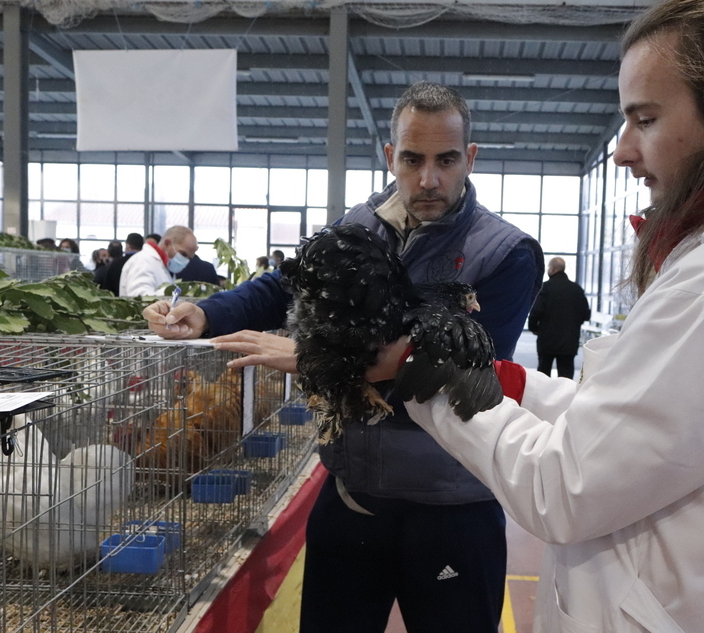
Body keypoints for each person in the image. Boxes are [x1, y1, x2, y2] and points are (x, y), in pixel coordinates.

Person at [367, 2, 704, 632]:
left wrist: (419, 371)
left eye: (645, 120)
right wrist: (500, 378)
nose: (622, 150)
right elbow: (619, 416)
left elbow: (560, 485)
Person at [143, 81, 544, 633]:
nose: (428, 179)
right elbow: (281, 287)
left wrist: (314, 359)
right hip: (353, 498)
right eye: (413, 158)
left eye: (446, 160)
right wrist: (206, 313)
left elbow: (466, 381)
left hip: (453, 507)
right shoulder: (358, 225)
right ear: (390, 156)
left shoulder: (505, 252)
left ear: (469, 158)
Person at [527, 257, 591, 379]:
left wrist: (534, 328)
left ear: (553, 269)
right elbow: (585, 315)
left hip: (547, 340)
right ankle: (566, 398)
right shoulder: (576, 290)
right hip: (569, 340)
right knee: (566, 377)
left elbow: (536, 312)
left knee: (543, 376)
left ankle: (542, 398)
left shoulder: (545, 288)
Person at [120, 226, 197, 297]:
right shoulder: (142, 261)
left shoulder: (163, 266)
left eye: (189, 258)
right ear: (167, 244)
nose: (185, 260)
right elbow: (140, 299)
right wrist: (172, 293)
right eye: (182, 254)